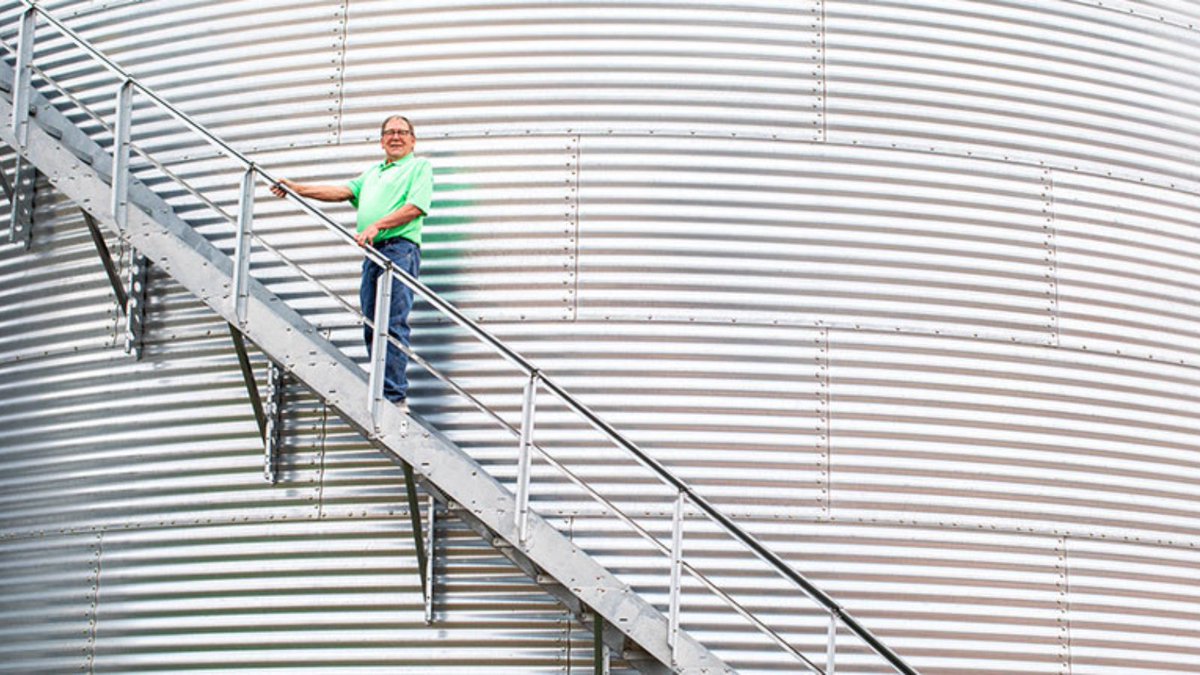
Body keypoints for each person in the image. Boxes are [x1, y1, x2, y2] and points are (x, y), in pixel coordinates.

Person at [271, 115, 433, 411]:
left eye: (402, 132)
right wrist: (297, 187)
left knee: (393, 323)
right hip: (373, 253)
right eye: (389, 133)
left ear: (412, 139)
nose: (395, 137)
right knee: (372, 323)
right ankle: (381, 390)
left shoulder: (418, 167)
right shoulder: (372, 173)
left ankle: (394, 399)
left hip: (399, 250)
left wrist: (377, 226)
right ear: (382, 140)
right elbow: (342, 192)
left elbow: (416, 207)